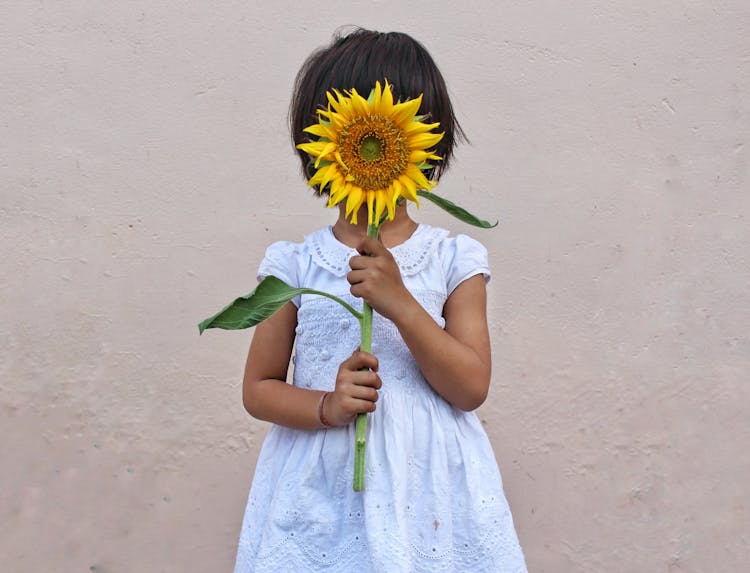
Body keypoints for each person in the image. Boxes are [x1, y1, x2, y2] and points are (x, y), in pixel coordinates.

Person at [234, 28, 527, 573]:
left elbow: (471, 386)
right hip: (321, 491)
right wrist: (326, 405)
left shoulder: (452, 258)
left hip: (430, 492)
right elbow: (258, 388)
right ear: (318, 144)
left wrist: (400, 304)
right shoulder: (295, 266)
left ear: (424, 141)